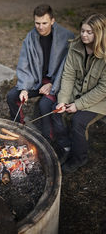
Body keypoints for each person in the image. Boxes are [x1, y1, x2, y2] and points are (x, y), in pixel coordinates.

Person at [6, 4, 74, 141]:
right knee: (12, 96)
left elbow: (67, 68)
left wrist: (52, 85)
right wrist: (24, 88)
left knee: (45, 105)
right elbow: (23, 64)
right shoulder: (30, 38)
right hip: (36, 80)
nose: (40, 27)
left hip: (57, 82)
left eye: (44, 23)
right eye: (37, 23)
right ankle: (20, 128)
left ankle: (48, 139)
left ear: (52, 21)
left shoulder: (67, 37)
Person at [53, 13, 106, 173]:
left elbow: (103, 88)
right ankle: (65, 146)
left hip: (100, 99)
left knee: (78, 122)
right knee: (56, 110)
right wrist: (63, 100)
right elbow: (68, 76)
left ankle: (79, 158)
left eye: (89, 32)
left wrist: (78, 105)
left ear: (99, 33)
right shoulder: (75, 47)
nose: (84, 35)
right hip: (78, 91)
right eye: (83, 30)